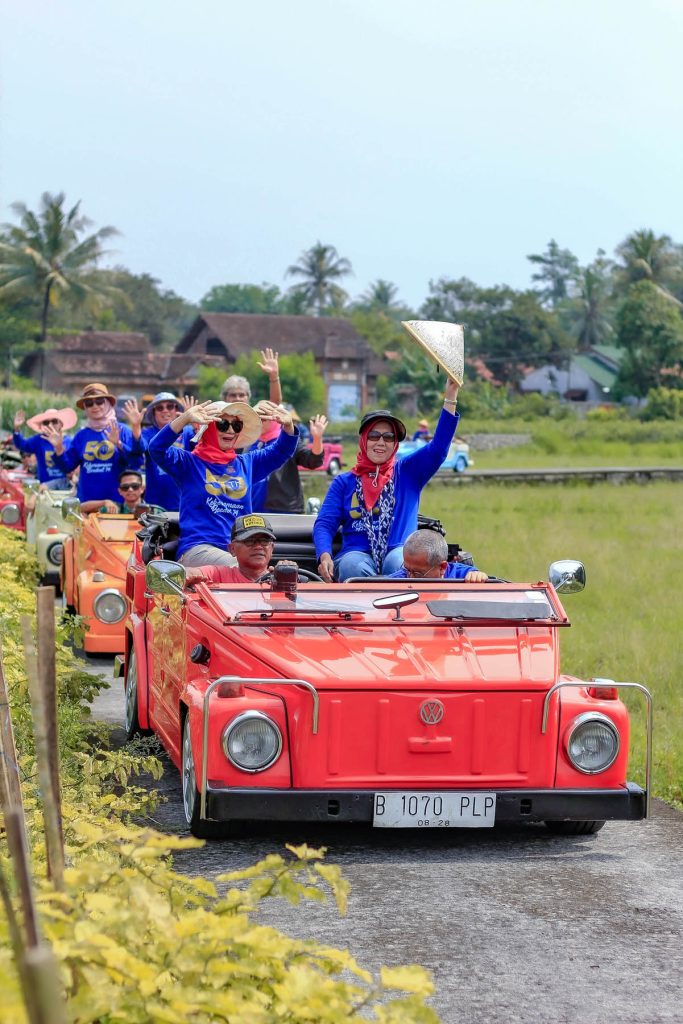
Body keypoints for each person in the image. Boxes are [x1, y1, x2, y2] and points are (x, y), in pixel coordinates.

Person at [314, 377, 461, 581]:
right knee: (351, 565)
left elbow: (437, 449)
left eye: (389, 437)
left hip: (400, 551)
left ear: (395, 444)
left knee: (397, 562)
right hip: (356, 554)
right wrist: (324, 555)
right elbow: (324, 524)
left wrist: (451, 396)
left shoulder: (408, 472)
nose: (381, 442)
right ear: (363, 440)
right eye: (374, 436)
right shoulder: (344, 482)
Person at [148, 398, 298, 566]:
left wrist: (288, 426)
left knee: (281, 573)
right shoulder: (188, 463)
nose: (230, 430)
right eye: (222, 424)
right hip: (198, 550)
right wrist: (184, 419)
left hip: (239, 553)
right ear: (209, 427)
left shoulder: (246, 463)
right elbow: (156, 449)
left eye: (236, 425)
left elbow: (281, 451)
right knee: (246, 569)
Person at [249, 350, 328, 512]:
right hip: (253, 511)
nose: (263, 421)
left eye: (266, 417)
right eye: (259, 417)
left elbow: (313, 461)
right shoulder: (247, 443)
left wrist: (317, 439)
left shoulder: (286, 442)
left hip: (285, 512)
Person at [47, 383, 143, 504]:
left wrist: (119, 444)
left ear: (108, 403)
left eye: (99, 401)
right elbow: (67, 467)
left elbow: (136, 463)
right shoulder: (81, 435)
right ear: (85, 408)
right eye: (89, 403)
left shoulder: (122, 430)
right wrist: (59, 448)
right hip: (87, 504)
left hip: (118, 505)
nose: (94, 406)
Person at [139, 392, 195, 510]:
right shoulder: (147, 433)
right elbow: (137, 450)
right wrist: (135, 427)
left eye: (170, 406)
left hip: (184, 503)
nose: (165, 411)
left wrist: (194, 424)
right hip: (155, 503)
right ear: (153, 413)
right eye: (160, 408)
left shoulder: (188, 432)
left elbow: (201, 450)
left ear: (176, 410)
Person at [184, 514, 277, 584]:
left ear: (272, 548)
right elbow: (188, 573)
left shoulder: (281, 579)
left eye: (264, 541)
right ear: (232, 549)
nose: (258, 546)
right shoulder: (218, 575)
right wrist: (186, 577)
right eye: (249, 541)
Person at [387, 529, 488, 581]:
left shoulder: (462, 575)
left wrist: (478, 577)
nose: (410, 578)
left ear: (442, 567)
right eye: (407, 569)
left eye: (418, 573)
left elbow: (479, 578)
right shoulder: (398, 579)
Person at [12, 406, 76, 488]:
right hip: (44, 488)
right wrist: (16, 429)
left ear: (61, 424)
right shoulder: (38, 440)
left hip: (65, 488)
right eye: (46, 422)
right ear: (42, 426)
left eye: (54, 421)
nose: (50, 425)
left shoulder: (69, 441)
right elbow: (22, 445)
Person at [80, 469, 146, 515]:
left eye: (135, 486)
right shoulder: (114, 509)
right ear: (120, 491)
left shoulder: (153, 511)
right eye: (125, 487)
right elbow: (79, 509)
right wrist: (104, 502)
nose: (130, 489)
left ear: (142, 489)